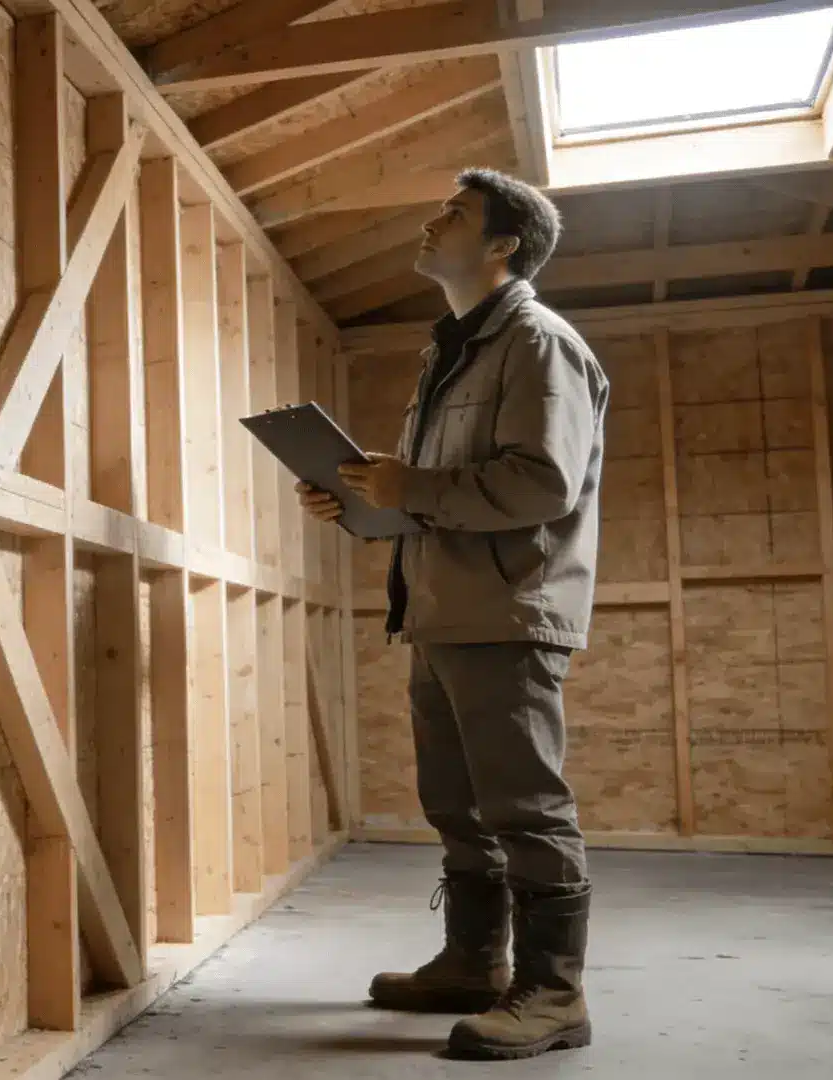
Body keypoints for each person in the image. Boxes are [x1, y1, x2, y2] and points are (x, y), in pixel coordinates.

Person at [298, 168, 608, 1061]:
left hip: (509, 612)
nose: (432, 223)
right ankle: (476, 962)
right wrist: (365, 501)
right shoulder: (451, 352)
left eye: (455, 215)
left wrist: (415, 486)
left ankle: (554, 994)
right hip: (440, 608)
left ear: (504, 244)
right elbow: (446, 496)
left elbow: (540, 485)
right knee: (457, 805)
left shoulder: (539, 344)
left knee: (524, 805)